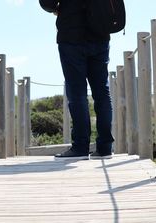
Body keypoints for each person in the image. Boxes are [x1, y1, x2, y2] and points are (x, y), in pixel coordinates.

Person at [39, 0, 114, 160]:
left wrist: (56, 8)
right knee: (102, 92)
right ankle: (105, 147)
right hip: (100, 33)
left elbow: (47, 2)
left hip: (71, 35)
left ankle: (80, 146)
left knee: (77, 93)